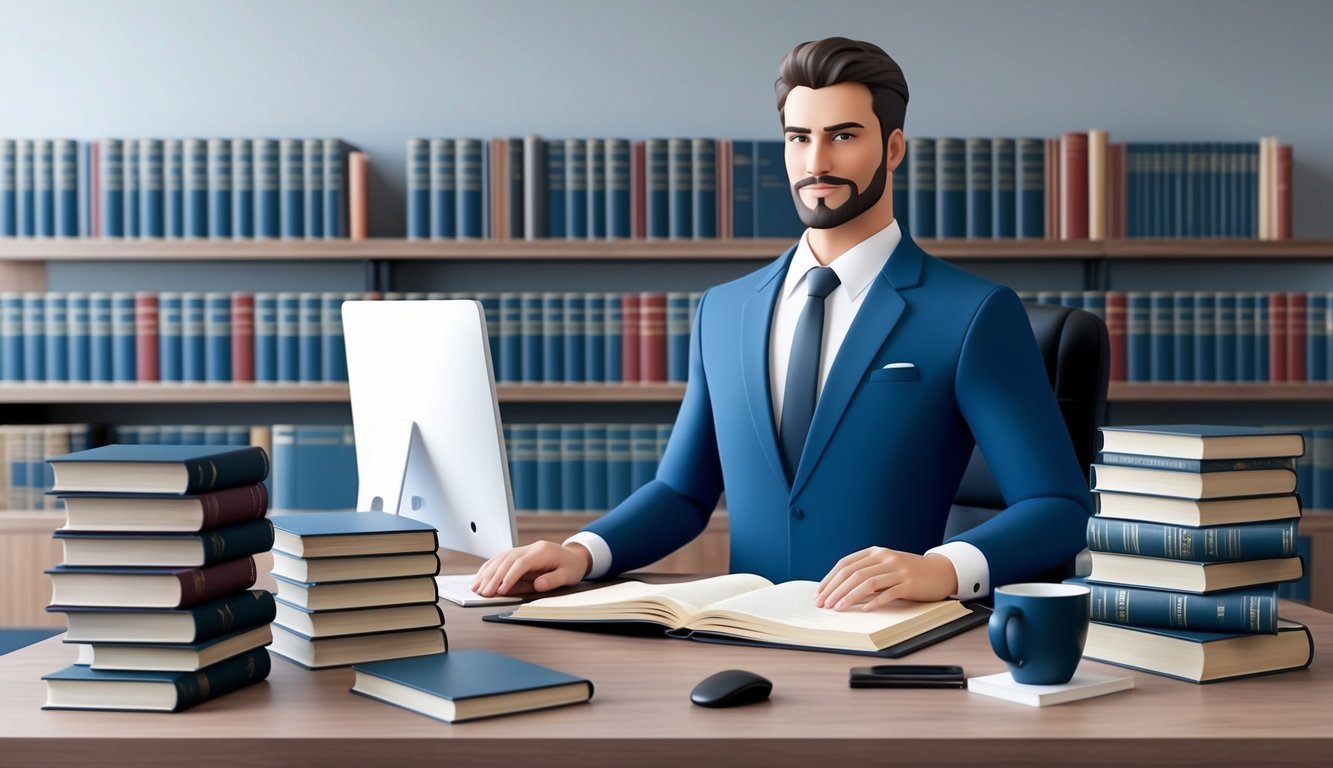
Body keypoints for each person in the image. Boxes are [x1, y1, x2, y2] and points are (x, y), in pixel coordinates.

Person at [475, 37, 1092, 610]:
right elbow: (683, 493)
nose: (816, 161)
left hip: (889, 639)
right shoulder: (724, 310)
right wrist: (581, 553)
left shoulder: (972, 312)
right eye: (799, 137)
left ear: (894, 149)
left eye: (844, 136)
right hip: (744, 634)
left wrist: (945, 568)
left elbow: (1057, 506)